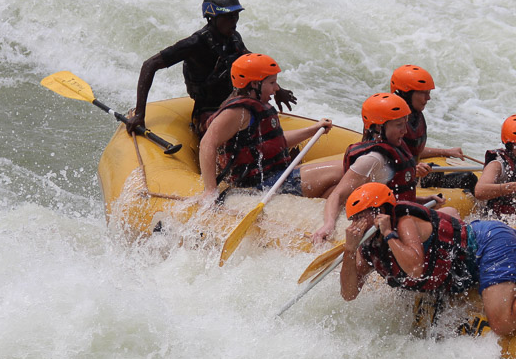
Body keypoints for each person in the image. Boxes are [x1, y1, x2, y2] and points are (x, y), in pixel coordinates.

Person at [338, 139, 516, 337]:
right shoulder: (367, 247)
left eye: (364, 217)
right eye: (355, 219)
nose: (358, 225)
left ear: (383, 212)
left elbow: (415, 267)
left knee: (503, 322)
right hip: (487, 235)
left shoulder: (403, 223)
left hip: (488, 246)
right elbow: (349, 294)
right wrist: (351, 253)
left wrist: (387, 231)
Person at [125, 0, 296, 138]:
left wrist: (278, 90)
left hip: (234, 100)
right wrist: (140, 114)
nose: (234, 20)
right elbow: (149, 65)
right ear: (212, 18)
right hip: (207, 109)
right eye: (228, 16)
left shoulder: (234, 39)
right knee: (230, 135)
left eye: (236, 15)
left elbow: (255, 67)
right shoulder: (194, 44)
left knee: (266, 124)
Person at [198, 54, 340, 201]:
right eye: (272, 82)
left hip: (274, 177)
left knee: (335, 187)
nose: (276, 88)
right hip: (260, 185)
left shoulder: (253, 109)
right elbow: (207, 143)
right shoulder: (237, 111)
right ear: (254, 84)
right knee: (343, 170)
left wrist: (314, 130)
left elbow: (275, 143)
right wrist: (210, 190)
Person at [312, 93, 445, 243]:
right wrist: (329, 224)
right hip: (382, 226)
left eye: (405, 124)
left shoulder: (397, 148)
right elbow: (338, 195)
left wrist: (423, 200)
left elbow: (392, 196)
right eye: (399, 125)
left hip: (397, 221)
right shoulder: (372, 159)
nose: (405, 131)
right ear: (378, 127)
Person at [390, 65, 476, 190]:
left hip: (410, 174)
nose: (428, 98)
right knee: (467, 178)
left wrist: (446, 152)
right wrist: (412, 169)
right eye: (423, 93)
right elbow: (384, 157)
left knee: (441, 172)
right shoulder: (390, 122)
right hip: (396, 181)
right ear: (406, 93)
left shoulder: (415, 117)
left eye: (428, 93)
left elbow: (413, 151)